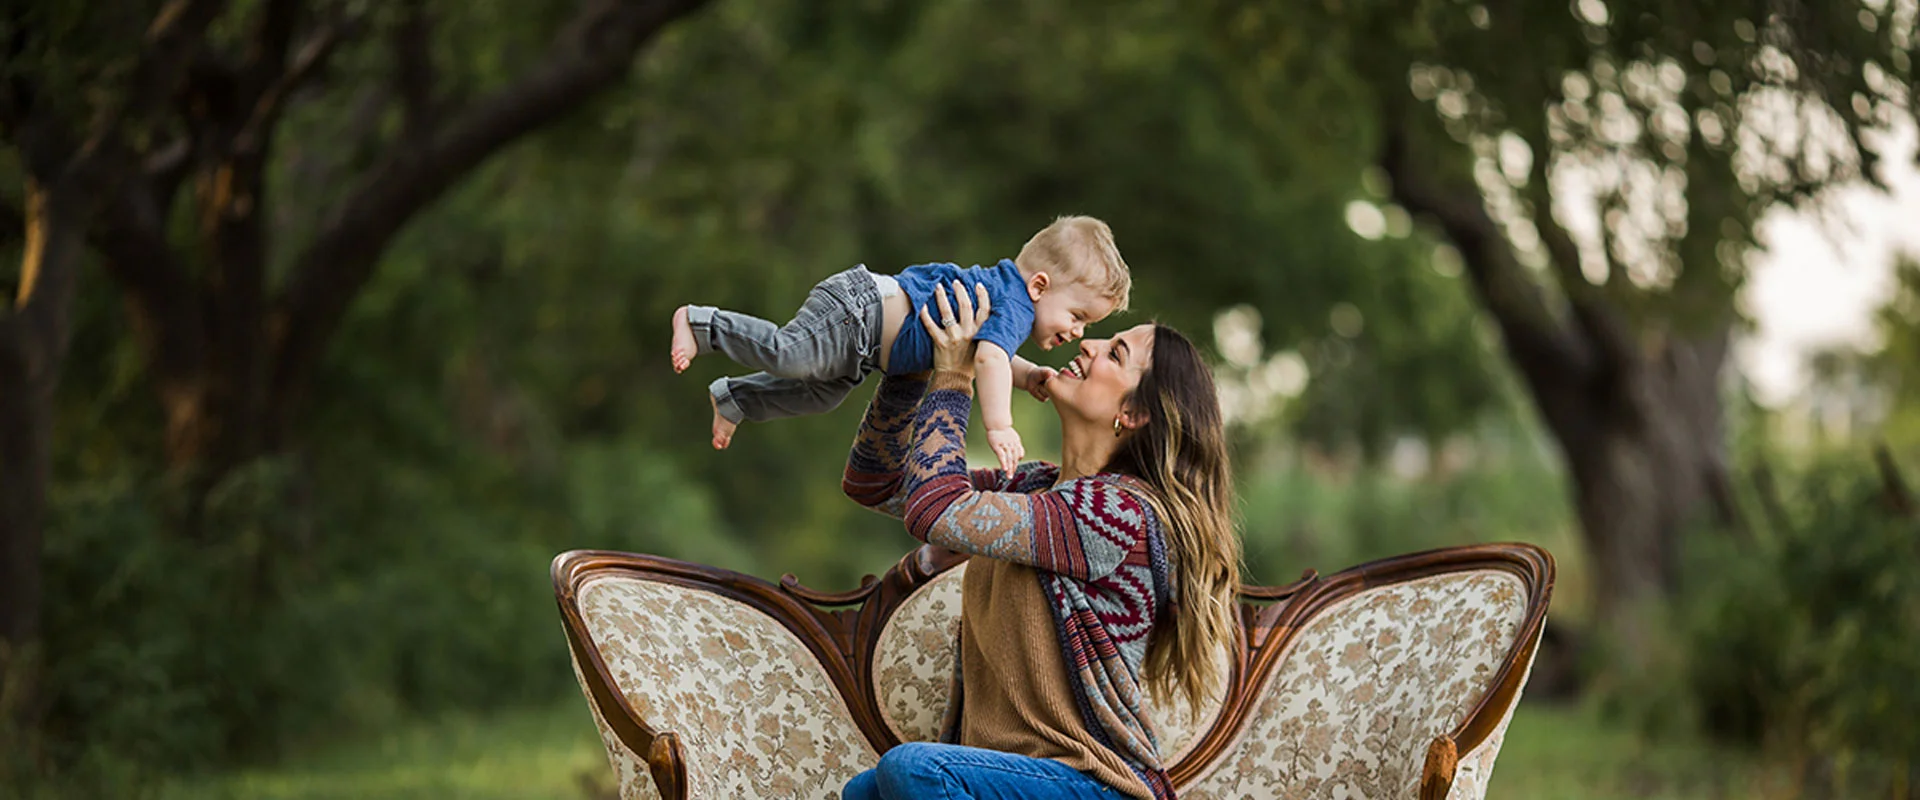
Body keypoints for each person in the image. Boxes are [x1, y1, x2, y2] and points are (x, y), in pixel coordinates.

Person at [839, 281, 1241, 800]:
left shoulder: (1116, 515)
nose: (1089, 345)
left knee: (914, 772)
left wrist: (957, 374)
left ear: (1135, 414)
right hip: (1019, 782)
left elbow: (934, 509)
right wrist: (911, 363)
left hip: (1094, 789)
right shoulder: (1034, 489)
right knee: (865, 792)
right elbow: (882, 484)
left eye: (1114, 353)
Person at [669, 216, 1131, 472]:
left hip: (864, 348)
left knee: (820, 394)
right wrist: (999, 426)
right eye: (1078, 316)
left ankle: (736, 399)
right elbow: (989, 357)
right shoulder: (1015, 304)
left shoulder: (1010, 307)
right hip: (859, 312)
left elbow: (991, 351)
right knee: (790, 354)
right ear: (1040, 286)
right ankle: (701, 324)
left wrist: (1028, 375)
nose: (1078, 333)